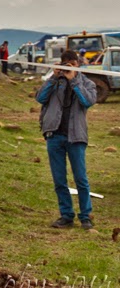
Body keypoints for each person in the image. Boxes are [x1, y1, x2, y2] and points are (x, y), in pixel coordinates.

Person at [36, 49, 97, 229]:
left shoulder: (87, 83)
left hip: (76, 136)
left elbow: (87, 101)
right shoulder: (55, 82)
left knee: (81, 179)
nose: (69, 67)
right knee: (59, 179)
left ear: (78, 64)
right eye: (66, 64)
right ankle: (66, 215)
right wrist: (54, 77)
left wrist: (74, 79)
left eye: (72, 64)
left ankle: (85, 216)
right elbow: (40, 98)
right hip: (54, 135)